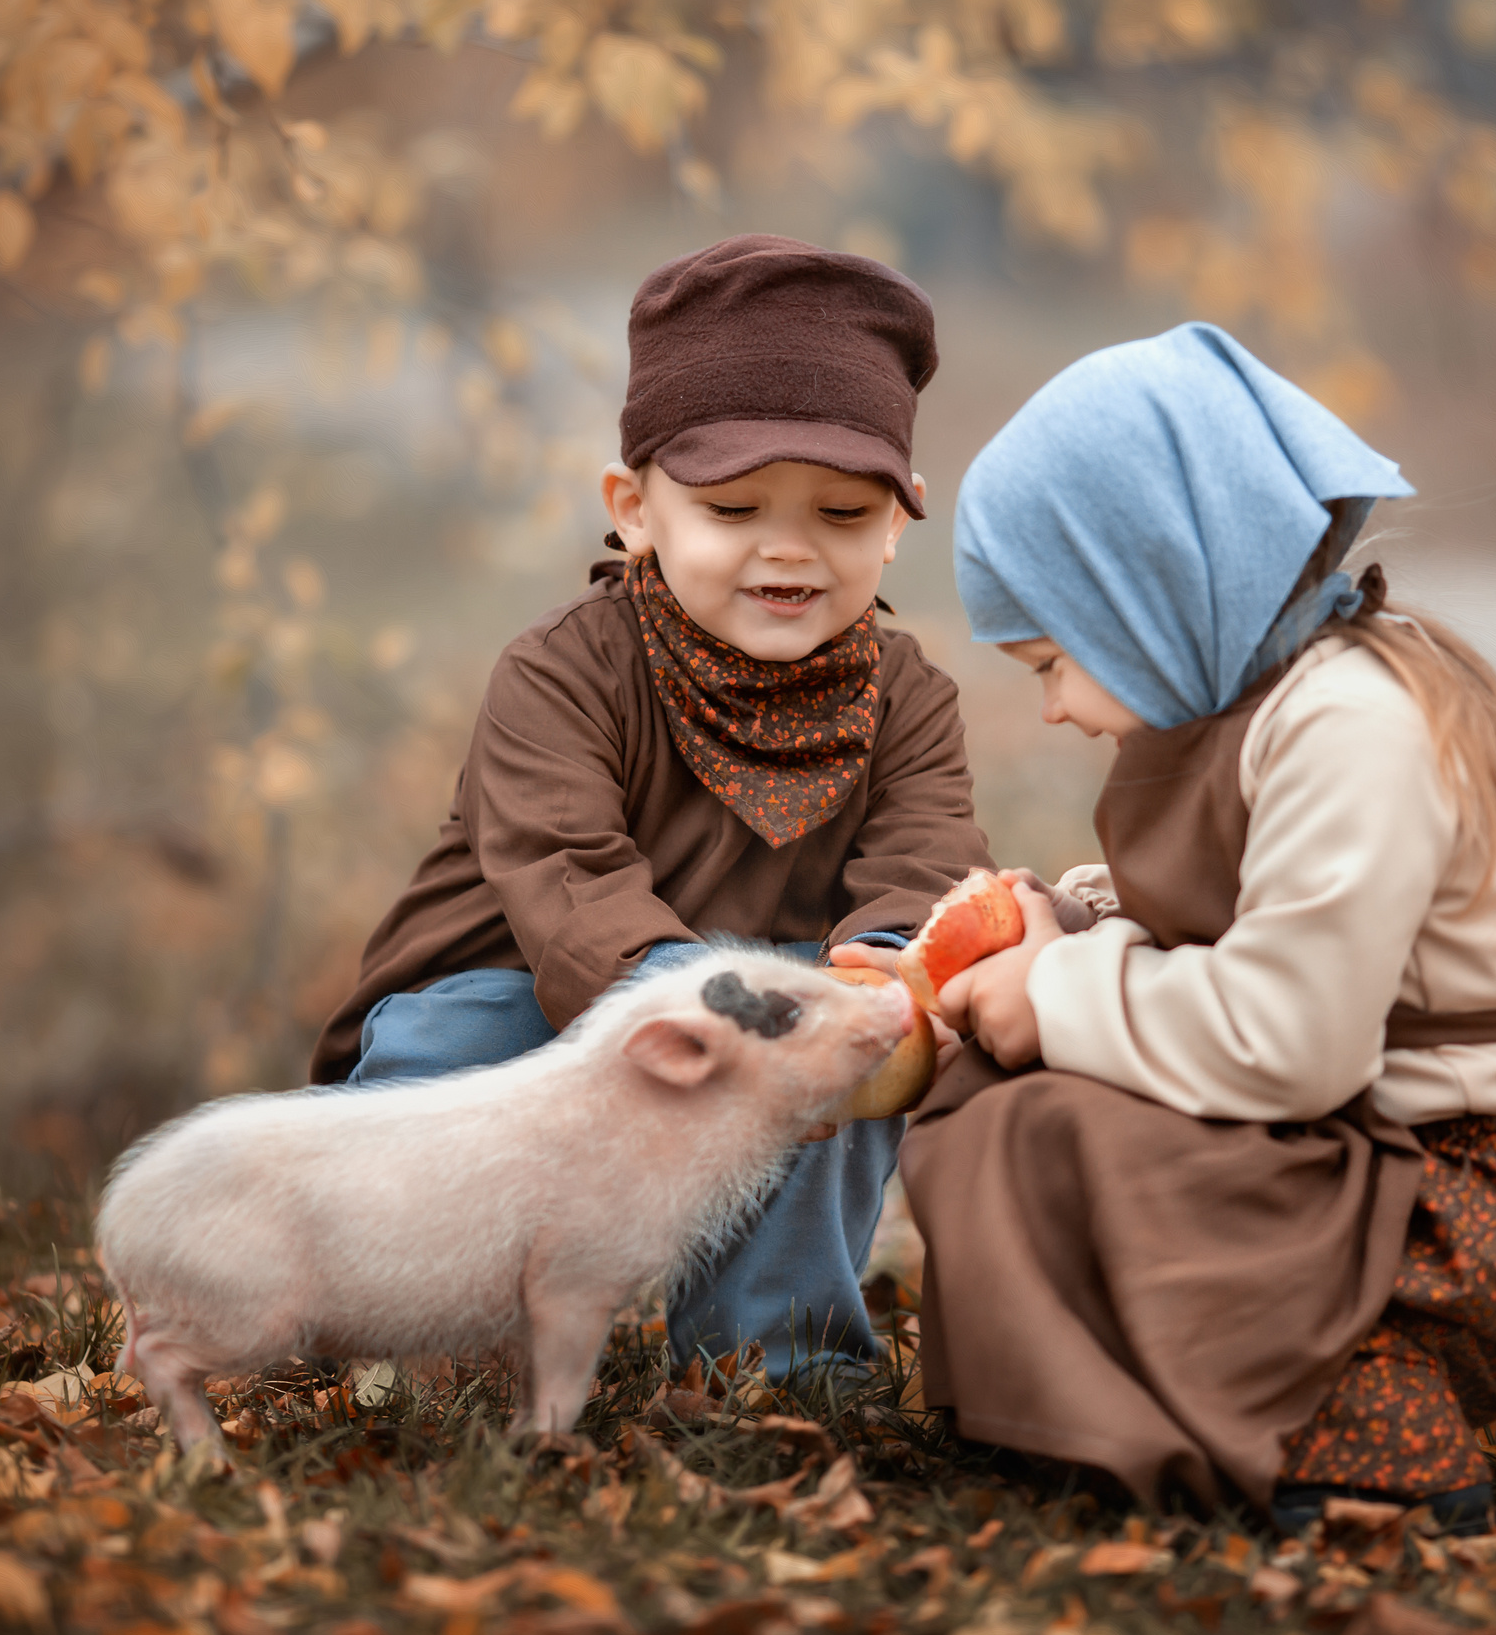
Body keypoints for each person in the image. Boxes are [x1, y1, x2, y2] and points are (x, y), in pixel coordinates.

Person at [901, 322, 1496, 1534]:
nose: (1053, 711)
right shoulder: (1274, 700)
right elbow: (1253, 913)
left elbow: (1291, 1037)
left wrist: (1059, 995)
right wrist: (1074, 917)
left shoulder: (1350, 724)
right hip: (1368, 1146)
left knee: (1072, 1117)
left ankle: (1365, 1429)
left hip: (1458, 1202)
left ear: (1146, 597)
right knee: (1015, 1107)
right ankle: (1124, 1402)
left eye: (1052, 662)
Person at [310, 235, 993, 1381]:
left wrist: (876, 995)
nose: (788, 548)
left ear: (894, 523)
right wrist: (707, 1020)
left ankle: (770, 1359)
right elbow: (568, 880)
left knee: (851, 1036)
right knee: (461, 1043)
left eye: (838, 512)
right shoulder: (562, 673)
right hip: (539, 990)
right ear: (634, 510)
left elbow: (925, 873)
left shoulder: (908, 699)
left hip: (763, 1011)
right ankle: (434, 1328)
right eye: (732, 511)